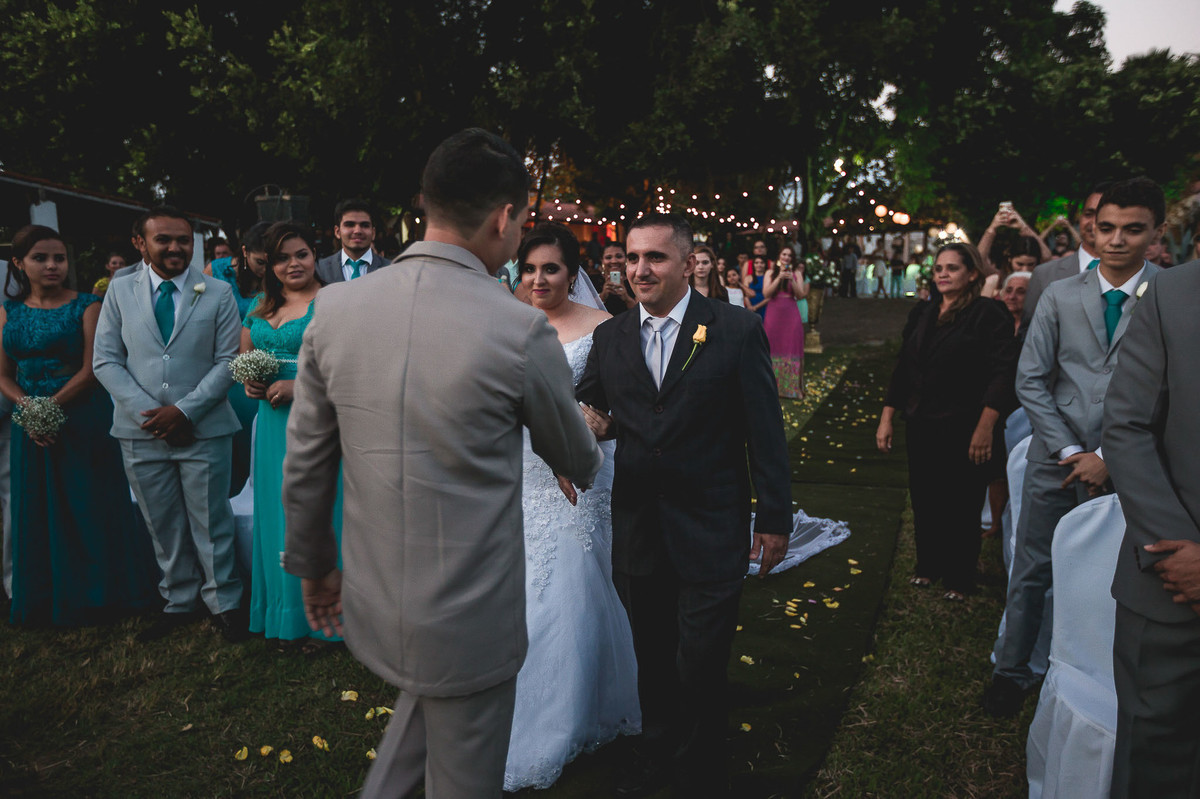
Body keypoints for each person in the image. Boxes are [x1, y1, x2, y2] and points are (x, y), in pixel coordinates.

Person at [281, 128, 602, 799]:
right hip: (470, 616)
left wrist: (314, 568)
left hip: (377, 594)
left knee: (418, 731)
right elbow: (578, 457)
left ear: (425, 203)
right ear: (505, 217)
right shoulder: (519, 329)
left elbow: (306, 460)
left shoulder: (335, 307)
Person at [576, 213, 792, 796]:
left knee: (701, 655)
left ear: (689, 262)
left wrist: (774, 518)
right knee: (651, 650)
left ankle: (700, 766)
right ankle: (660, 748)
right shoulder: (610, 337)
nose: (640, 269)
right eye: (632, 257)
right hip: (640, 522)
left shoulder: (734, 329)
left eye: (655, 258)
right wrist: (590, 424)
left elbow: (764, 431)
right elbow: (589, 406)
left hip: (711, 521)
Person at [984, 177, 1164, 717]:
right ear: (1092, 225)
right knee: (1032, 567)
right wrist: (1068, 450)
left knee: (1113, 573)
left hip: (1131, 462)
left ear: (1155, 233)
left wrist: (1108, 456)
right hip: (1052, 456)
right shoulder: (1061, 294)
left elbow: (1171, 387)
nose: (1116, 240)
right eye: (1106, 227)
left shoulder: (1174, 295)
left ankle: (1098, 673)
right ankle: (1012, 672)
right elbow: (1031, 379)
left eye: (1133, 230)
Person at [505, 222, 639, 790]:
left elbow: (624, 405)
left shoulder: (604, 329)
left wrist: (600, 423)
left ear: (573, 272)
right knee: (516, 589)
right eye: (529, 268)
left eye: (551, 268)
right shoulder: (502, 320)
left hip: (579, 475)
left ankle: (565, 715)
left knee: (574, 583)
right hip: (517, 471)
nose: (538, 279)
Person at [93, 206, 247, 643]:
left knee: (211, 518)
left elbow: (228, 361)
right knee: (161, 522)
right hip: (139, 430)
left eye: (183, 240)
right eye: (164, 239)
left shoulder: (216, 291)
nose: (176, 247)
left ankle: (225, 603)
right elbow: (105, 360)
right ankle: (180, 600)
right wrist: (150, 414)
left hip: (205, 426)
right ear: (140, 243)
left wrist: (184, 411)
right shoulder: (120, 291)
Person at [1, 225, 156, 625]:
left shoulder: (88, 304)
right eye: (40, 258)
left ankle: (102, 594)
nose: (52, 266)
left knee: (89, 503)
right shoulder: (7, 311)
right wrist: (30, 411)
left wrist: (48, 407)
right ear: (19, 263)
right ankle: (45, 597)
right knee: (36, 506)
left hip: (82, 415)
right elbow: (3, 373)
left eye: (59, 258)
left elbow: (92, 369)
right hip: (28, 421)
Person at [1103, 260, 1200, 798]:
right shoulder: (1173, 292)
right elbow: (1127, 425)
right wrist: (1178, 556)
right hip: (1170, 587)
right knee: (1151, 760)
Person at [876, 242, 1017, 601]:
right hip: (923, 421)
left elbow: (1003, 373)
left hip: (966, 424)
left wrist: (986, 426)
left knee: (962, 502)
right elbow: (903, 368)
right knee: (925, 497)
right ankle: (928, 566)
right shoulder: (922, 313)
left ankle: (959, 576)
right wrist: (887, 417)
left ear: (972, 274)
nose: (942, 273)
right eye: (938, 268)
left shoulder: (989, 313)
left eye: (952, 268)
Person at [237, 222, 342, 651]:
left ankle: (327, 618)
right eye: (281, 257)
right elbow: (244, 356)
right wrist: (249, 382)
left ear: (314, 256)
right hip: (271, 425)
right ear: (269, 264)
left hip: (319, 422)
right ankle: (282, 613)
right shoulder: (260, 306)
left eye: (300, 254)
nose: (292, 264)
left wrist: (302, 386)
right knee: (277, 513)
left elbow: (352, 366)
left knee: (321, 510)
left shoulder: (333, 302)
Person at [209, 220, 272, 497]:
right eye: (260, 261)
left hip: (266, 366)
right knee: (236, 441)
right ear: (245, 252)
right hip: (227, 368)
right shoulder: (217, 271)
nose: (267, 268)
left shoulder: (277, 276)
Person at [1022, 182, 1111, 327]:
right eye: (1089, 214)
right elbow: (1029, 337)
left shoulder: (1148, 277)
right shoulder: (1045, 275)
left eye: (1103, 215)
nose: (1094, 223)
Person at [762, 246, 808, 399]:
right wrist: (779, 278)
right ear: (779, 256)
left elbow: (801, 295)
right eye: (784, 254)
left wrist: (791, 280)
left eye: (789, 255)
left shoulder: (797, 273)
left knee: (792, 345)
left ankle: (792, 388)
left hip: (791, 312)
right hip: (774, 313)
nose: (786, 257)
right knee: (772, 345)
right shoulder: (770, 272)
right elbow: (766, 293)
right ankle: (772, 387)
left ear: (792, 258)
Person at [314, 199, 392, 284]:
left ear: (373, 233)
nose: (357, 231)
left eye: (364, 225)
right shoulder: (321, 269)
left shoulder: (390, 268)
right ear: (337, 232)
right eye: (350, 225)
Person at [599, 241, 637, 316]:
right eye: (608, 257)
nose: (614, 261)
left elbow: (641, 313)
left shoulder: (635, 281)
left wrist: (626, 298)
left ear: (626, 259)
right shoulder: (594, 281)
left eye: (619, 256)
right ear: (602, 261)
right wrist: (603, 296)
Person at [746, 254, 770, 319]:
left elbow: (770, 296)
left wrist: (756, 307)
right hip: (750, 308)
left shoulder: (769, 278)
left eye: (762, 263)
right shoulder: (748, 278)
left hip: (765, 307)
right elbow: (745, 295)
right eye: (756, 263)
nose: (759, 265)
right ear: (753, 265)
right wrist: (749, 306)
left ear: (765, 264)